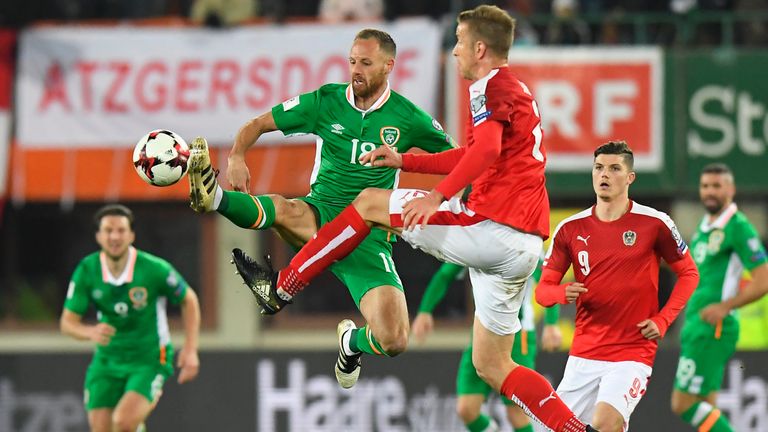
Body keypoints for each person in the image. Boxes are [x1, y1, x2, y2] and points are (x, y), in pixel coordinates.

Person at [233, 5, 598, 431]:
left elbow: (485, 153)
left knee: (370, 202)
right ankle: (577, 430)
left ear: (480, 48)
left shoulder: (489, 86)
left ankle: (282, 288)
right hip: (523, 248)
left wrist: (436, 197)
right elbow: (471, 153)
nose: (455, 50)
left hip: (491, 227)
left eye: (460, 42)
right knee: (493, 365)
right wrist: (404, 159)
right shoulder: (515, 89)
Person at [187, 28, 455, 388]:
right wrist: (236, 155)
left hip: (370, 240)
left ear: (389, 66)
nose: (356, 70)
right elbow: (258, 123)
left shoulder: (408, 117)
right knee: (287, 209)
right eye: (352, 62)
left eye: (366, 63)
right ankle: (213, 196)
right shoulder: (325, 101)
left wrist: (435, 197)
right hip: (323, 216)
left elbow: (457, 158)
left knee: (395, 339)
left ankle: (350, 343)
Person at [535, 141, 700, 432]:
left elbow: (689, 273)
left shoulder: (655, 223)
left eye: (614, 168)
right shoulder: (569, 229)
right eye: (599, 168)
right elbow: (543, 291)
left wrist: (663, 319)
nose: (604, 175)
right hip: (584, 352)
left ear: (630, 177)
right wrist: (562, 293)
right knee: (551, 428)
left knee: (604, 422)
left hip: (632, 351)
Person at [60, 204, 201, 432]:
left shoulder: (154, 270)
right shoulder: (87, 270)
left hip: (150, 358)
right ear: (98, 236)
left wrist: (191, 348)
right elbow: (67, 323)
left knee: (123, 422)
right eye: (108, 230)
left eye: (121, 230)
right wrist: (90, 332)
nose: (114, 236)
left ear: (132, 235)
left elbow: (189, 299)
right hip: (107, 360)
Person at [670, 163, 768, 431]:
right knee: (706, 404)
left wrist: (725, 307)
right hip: (697, 325)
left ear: (731, 189)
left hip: (712, 328)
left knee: (683, 402)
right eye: (705, 186)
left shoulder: (738, 227)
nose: (710, 192)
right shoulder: (705, 227)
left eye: (717, 186)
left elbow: (763, 279)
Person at [412, 262, 562, 432]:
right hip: (482, 332)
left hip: (518, 335)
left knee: (515, 411)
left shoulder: (519, 239)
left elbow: (547, 281)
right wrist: (425, 310)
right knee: (467, 409)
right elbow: (445, 274)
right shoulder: (472, 243)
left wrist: (551, 324)